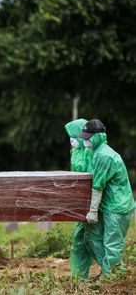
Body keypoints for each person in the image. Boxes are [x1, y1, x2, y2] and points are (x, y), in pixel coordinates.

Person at [79, 118, 135, 276]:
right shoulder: (96, 153)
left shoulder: (105, 155)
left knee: (112, 243)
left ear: (97, 136)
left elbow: (98, 185)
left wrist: (93, 210)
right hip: (107, 204)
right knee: (91, 236)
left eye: (88, 138)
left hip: (117, 206)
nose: (85, 142)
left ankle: (111, 277)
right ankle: (110, 271)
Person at [65, 119, 104, 279]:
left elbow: (95, 180)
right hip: (80, 202)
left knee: (93, 239)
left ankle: (111, 269)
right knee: (79, 240)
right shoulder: (75, 152)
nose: (71, 140)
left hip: (92, 201)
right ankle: (79, 276)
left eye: (73, 136)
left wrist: (93, 207)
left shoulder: (91, 153)